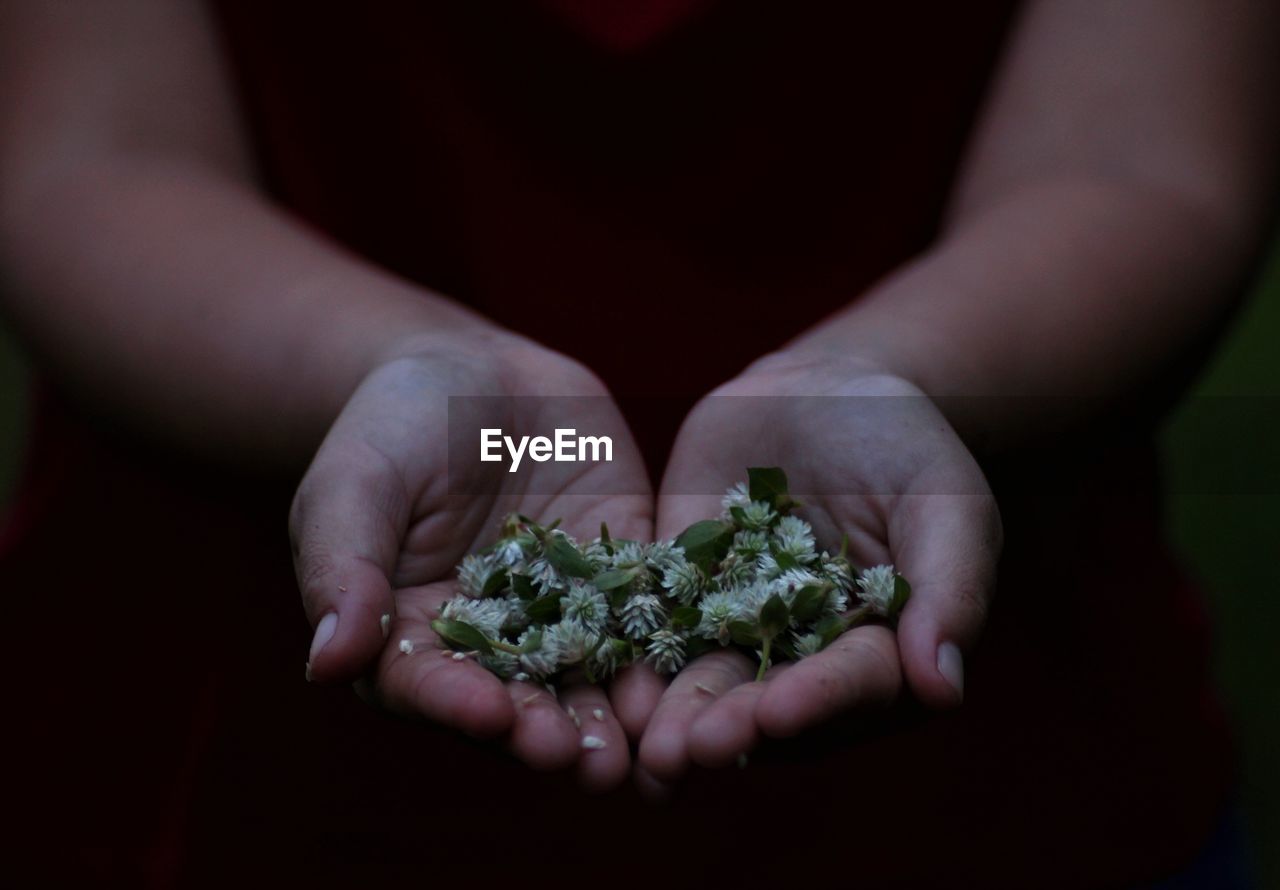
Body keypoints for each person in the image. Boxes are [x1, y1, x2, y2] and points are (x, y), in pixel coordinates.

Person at [0, 0, 1273, 885]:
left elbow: (1142, 160)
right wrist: (401, 380)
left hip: (1003, 791)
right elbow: (85, 156)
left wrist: (889, 378)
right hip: (232, 767)